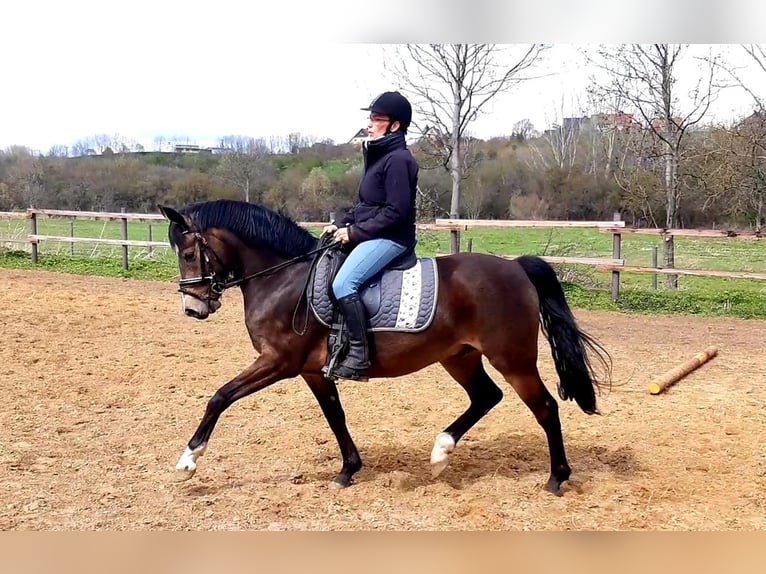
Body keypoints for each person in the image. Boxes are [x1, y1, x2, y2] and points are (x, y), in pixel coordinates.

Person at [322, 91, 420, 382]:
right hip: (375, 232)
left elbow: (396, 212)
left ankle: (358, 356)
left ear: (395, 126)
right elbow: (366, 205)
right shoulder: (380, 157)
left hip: (393, 238)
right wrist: (340, 223)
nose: (370, 123)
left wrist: (353, 233)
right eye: (370, 118)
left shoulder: (399, 160)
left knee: (343, 283)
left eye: (377, 119)